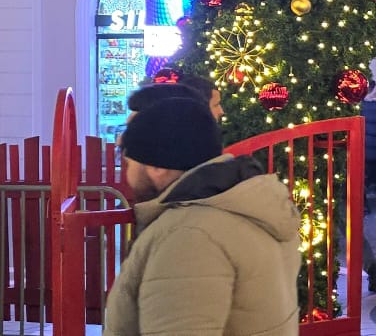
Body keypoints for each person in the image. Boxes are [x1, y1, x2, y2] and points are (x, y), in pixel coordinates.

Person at [106, 98, 300, 334]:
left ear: (157, 166)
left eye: (128, 162)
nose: (127, 173)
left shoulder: (188, 236)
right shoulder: (246, 205)